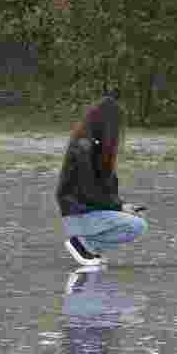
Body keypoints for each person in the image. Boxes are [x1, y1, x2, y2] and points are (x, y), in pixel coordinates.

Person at [55, 92, 148, 266]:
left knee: (138, 222)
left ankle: (87, 246)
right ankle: (83, 244)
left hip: (85, 213)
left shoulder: (95, 147)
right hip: (78, 215)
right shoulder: (84, 147)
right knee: (137, 226)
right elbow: (87, 192)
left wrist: (122, 206)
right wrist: (118, 207)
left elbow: (102, 190)